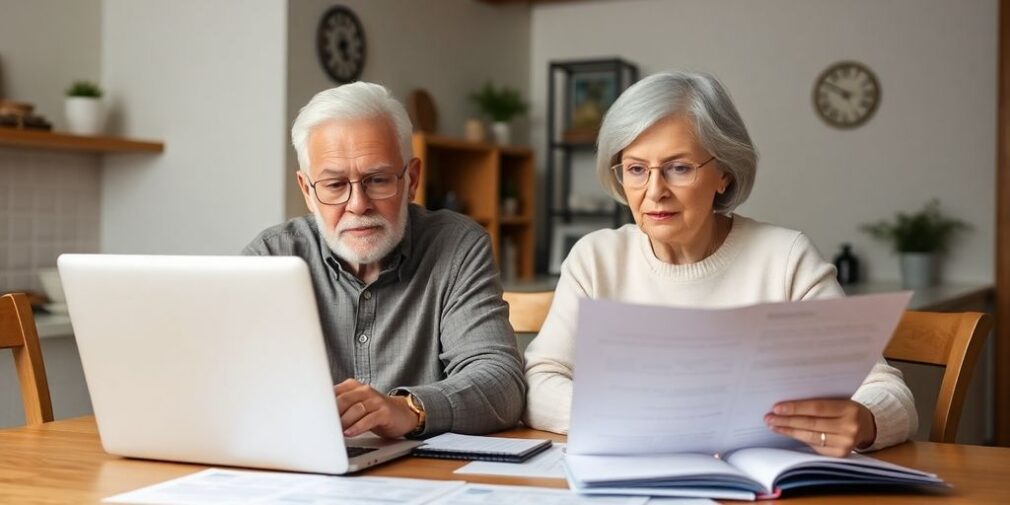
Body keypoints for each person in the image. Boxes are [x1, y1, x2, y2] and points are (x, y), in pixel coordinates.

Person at [523, 72, 916, 457]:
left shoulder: (785, 257)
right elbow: (539, 381)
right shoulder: (597, 258)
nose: (654, 191)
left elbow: (888, 391)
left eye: (678, 168)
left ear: (723, 174)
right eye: (637, 169)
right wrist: (635, 421)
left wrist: (864, 420)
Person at [244, 82, 525, 439]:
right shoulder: (271, 257)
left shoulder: (458, 247)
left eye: (377, 180)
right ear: (307, 191)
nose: (358, 204)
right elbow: (229, 379)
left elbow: (501, 383)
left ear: (412, 179)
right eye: (334, 185)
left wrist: (409, 409)